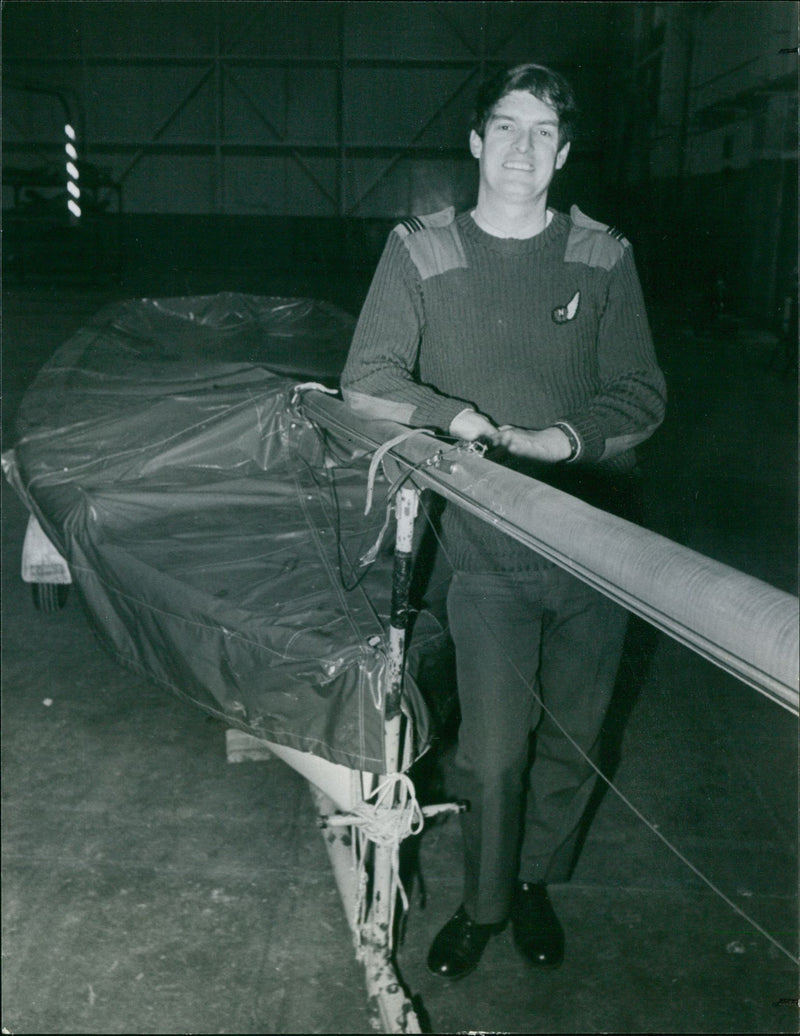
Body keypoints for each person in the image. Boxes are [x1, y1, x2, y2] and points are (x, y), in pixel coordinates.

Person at [340, 63, 666, 980]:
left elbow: (640, 394)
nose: (523, 148)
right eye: (507, 128)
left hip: (598, 544)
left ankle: (533, 883)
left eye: (543, 134)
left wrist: (563, 439)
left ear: (561, 155)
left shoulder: (604, 255)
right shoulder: (422, 249)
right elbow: (368, 378)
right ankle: (484, 905)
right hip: (483, 549)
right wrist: (462, 419)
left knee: (574, 739)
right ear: (478, 141)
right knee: (489, 757)